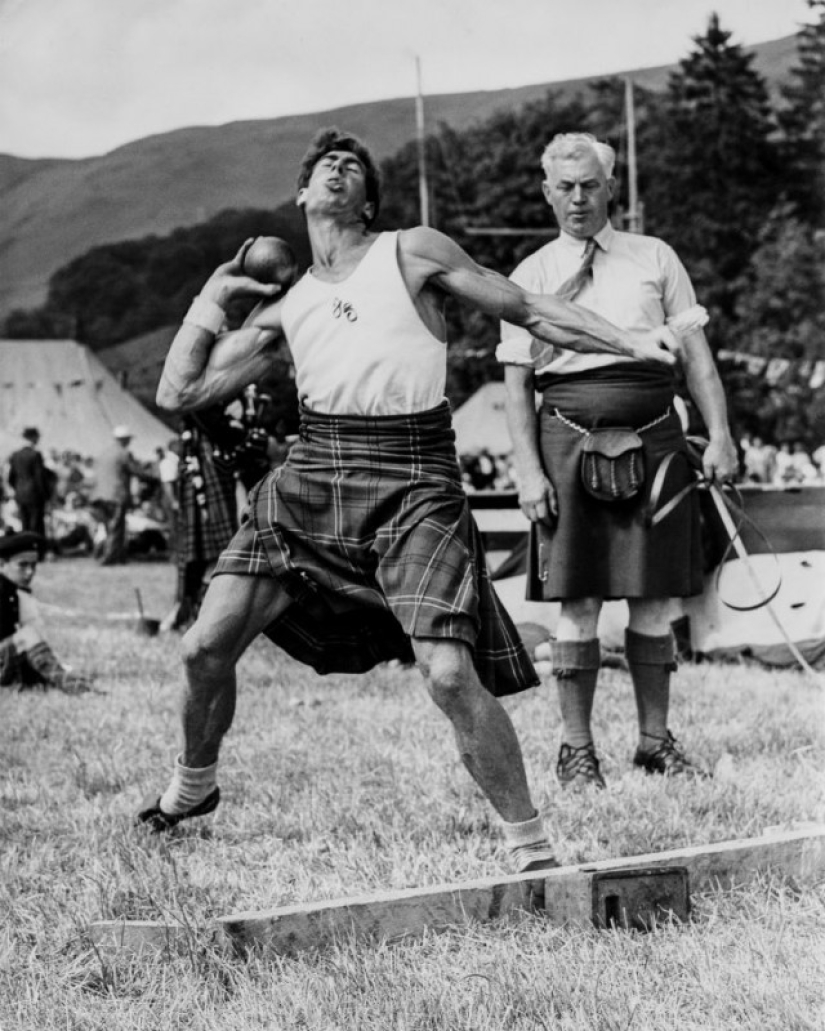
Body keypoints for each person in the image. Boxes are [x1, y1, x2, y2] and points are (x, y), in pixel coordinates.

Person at [137, 127, 679, 869]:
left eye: (352, 165)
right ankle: (192, 786)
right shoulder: (289, 306)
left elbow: (529, 307)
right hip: (313, 471)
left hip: (413, 474)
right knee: (204, 646)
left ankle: (531, 847)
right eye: (325, 164)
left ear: (368, 200)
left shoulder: (411, 251)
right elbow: (180, 391)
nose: (337, 168)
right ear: (302, 194)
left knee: (449, 675)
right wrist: (212, 296)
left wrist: (629, 341)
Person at [498, 132, 737, 789]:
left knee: (653, 598)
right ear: (547, 192)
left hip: (657, 439)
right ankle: (576, 751)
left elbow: (697, 360)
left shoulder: (654, 256)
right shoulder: (529, 275)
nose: (577, 198)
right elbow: (516, 384)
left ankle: (654, 742)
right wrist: (527, 471)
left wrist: (719, 434)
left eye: (589, 185)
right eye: (564, 187)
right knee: (576, 601)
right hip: (565, 441)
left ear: (611, 187)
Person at [0, 531, 93, 693]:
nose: (30, 572)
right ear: (2, 564)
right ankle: (74, 686)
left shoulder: (14, 592)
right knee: (27, 636)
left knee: (28, 635)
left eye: (33, 566)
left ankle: (58, 676)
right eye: (22, 565)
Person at [92, 425, 147, 565]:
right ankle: (109, 558)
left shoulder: (104, 453)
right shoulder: (124, 453)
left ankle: (113, 555)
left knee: (107, 527)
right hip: (115, 495)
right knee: (116, 527)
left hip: (99, 495)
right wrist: (153, 476)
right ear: (125, 439)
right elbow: (137, 471)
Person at [7, 427, 52, 539]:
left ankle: (25, 546)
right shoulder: (35, 455)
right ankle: (36, 546)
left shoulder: (15, 455)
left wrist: (18, 489)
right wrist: (46, 495)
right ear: (33, 437)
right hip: (34, 495)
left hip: (20, 495)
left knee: (25, 523)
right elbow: (39, 478)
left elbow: (11, 478)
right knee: (36, 525)